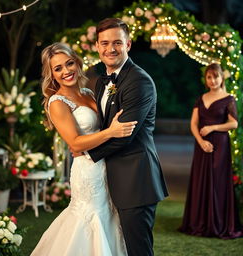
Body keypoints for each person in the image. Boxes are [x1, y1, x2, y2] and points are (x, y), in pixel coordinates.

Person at [31, 42, 138, 256]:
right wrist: (111, 132)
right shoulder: (57, 102)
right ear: (51, 74)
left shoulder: (89, 92)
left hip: (108, 165)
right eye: (58, 68)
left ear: (77, 63)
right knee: (90, 218)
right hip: (88, 171)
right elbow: (75, 143)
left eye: (69, 63)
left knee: (109, 215)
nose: (66, 71)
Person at [86, 18, 168, 256]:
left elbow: (124, 136)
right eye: (104, 43)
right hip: (111, 180)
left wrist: (85, 152)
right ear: (97, 46)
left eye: (117, 43)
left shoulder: (139, 81)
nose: (110, 49)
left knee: (138, 249)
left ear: (128, 44)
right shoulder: (102, 81)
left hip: (136, 180)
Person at [179, 63, 243, 239]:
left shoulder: (229, 99)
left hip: (220, 145)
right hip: (202, 145)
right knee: (201, 180)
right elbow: (193, 124)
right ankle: (200, 222)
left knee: (217, 182)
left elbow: (234, 123)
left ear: (221, 78)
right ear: (206, 79)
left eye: (216, 77)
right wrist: (200, 142)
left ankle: (219, 223)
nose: (213, 80)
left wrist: (213, 128)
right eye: (209, 77)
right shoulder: (201, 98)